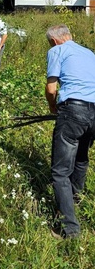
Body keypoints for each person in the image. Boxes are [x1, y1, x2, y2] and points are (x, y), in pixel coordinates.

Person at [45, 24, 95, 239]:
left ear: (54, 40)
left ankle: (70, 228)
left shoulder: (57, 50)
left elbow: (51, 88)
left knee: (60, 171)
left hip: (73, 110)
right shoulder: (89, 52)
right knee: (81, 158)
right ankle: (74, 199)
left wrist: (53, 107)